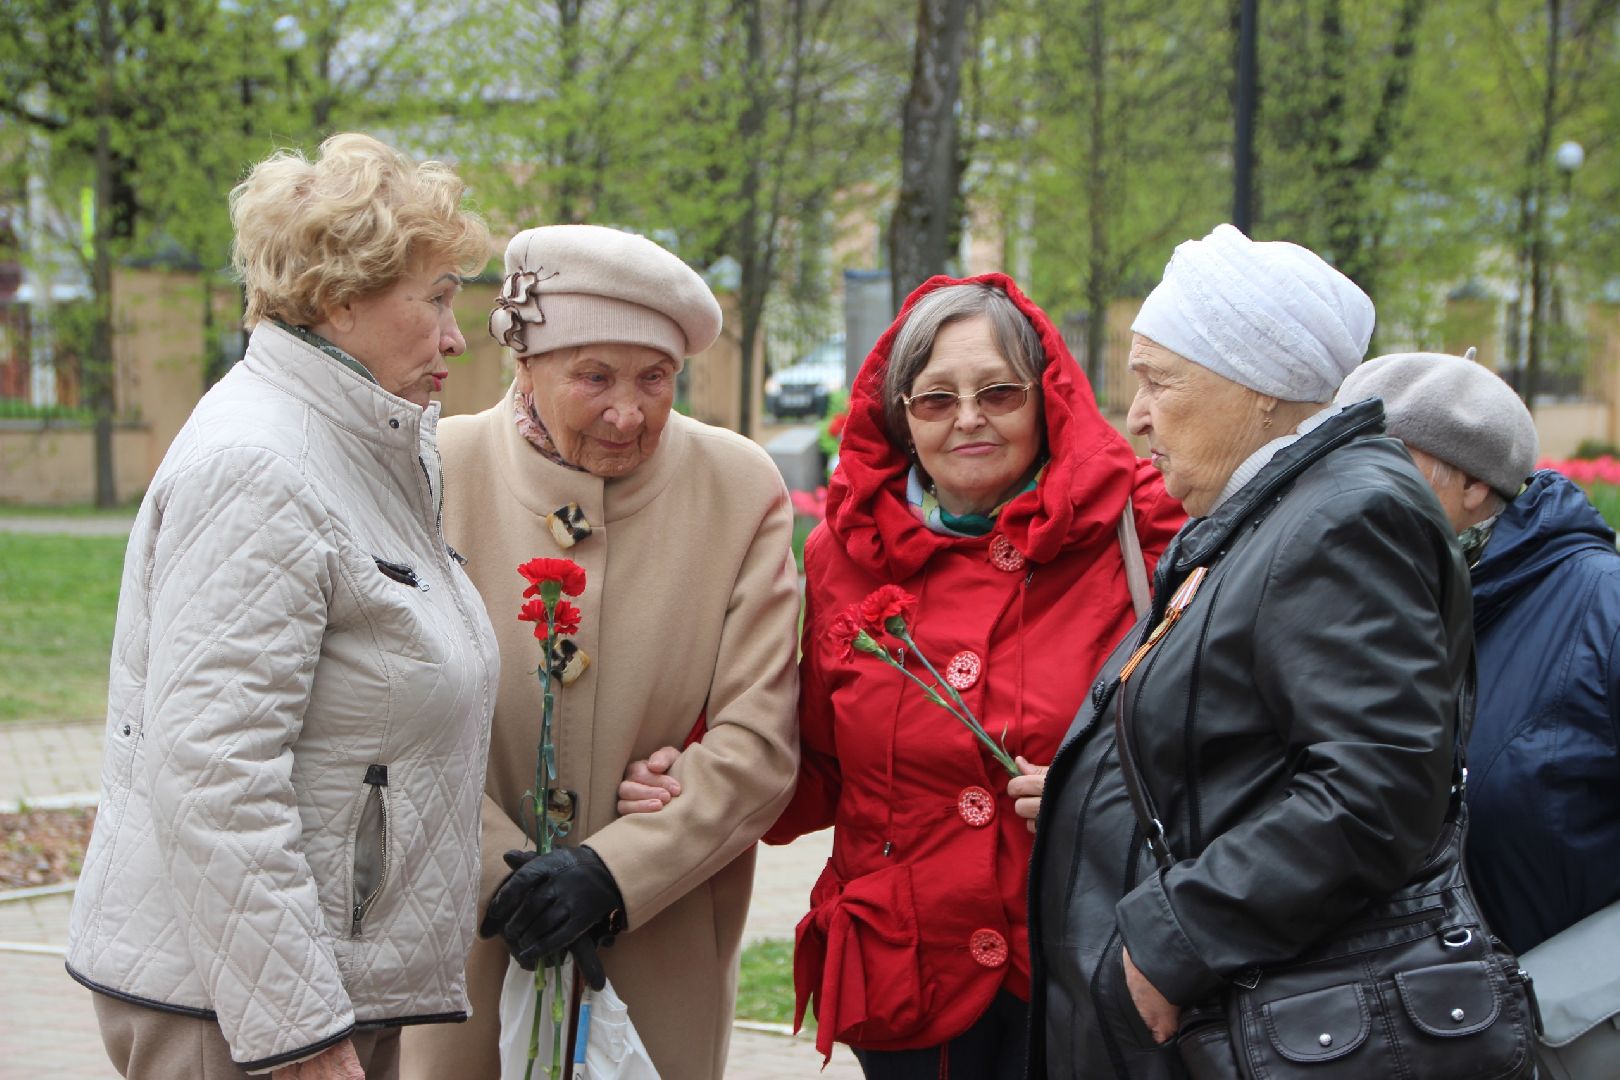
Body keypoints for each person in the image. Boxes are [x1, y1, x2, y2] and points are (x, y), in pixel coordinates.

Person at [622, 274, 1184, 1076]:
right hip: (909, 978)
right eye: (935, 399)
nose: (969, 419)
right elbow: (811, 760)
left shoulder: (1141, 522)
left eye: (999, 391)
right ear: (900, 415)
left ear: (1047, 397)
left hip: (1082, 957)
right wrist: (695, 768)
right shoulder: (842, 552)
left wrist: (1101, 786)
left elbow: (1222, 723)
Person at [64, 133, 500, 1080]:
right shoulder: (259, 467)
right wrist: (299, 1037)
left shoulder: (360, 444)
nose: (458, 336)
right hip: (240, 1016)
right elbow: (215, 774)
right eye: (434, 299)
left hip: (301, 993)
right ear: (341, 301)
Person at [1027, 224, 1474, 1078]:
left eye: (1159, 379)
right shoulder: (1279, 511)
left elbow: (1375, 786)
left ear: (1260, 387)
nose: (1138, 415)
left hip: (1240, 1013)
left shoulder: (1345, 517)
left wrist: (1177, 938)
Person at [399, 224, 801, 1080]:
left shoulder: (739, 488)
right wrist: (506, 877)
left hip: (658, 942)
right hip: (466, 935)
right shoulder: (432, 469)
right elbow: (393, 720)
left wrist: (613, 875)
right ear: (525, 365)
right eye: (594, 377)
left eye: (655, 378)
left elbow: (760, 742)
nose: (630, 411)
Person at [1337, 352, 1620, 957]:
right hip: (1408, 1028)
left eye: (1383, 462)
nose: (1346, 491)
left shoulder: (1603, 607)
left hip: (1564, 1028)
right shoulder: (1359, 600)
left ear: (1473, 483)